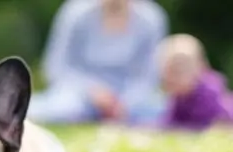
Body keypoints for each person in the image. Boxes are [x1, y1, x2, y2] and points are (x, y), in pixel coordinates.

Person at [27, 0, 169, 125]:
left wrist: (124, 103)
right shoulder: (75, 12)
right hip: (79, 95)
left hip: (131, 99)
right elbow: (55, 68)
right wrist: (93, 92)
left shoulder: (152, 18)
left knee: (161, 110)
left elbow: (149, 76)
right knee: (63, 108)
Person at [157, 34, 233, 131]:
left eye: (178, 71)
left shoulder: (208, 95)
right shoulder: (179, 98)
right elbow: (169, 123)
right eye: (167, 70)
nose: (171, 77)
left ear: (201, 67)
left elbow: (204, 127)